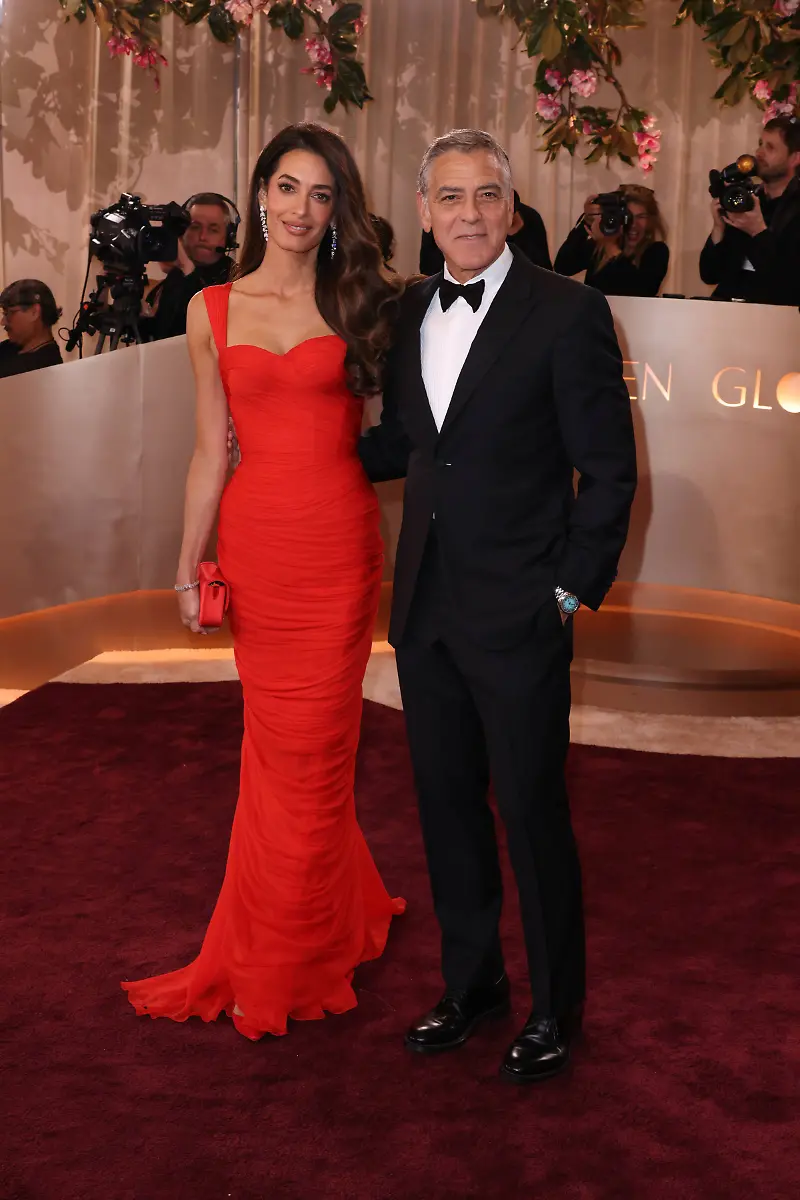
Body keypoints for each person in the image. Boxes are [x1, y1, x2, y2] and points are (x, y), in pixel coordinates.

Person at [359, 129, 637, 1083]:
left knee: (530, 810)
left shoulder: (569, 311)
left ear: (512, 210)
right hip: (426, 609)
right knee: (445, 812)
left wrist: (566, 592)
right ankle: (472, 983)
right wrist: (293, 451)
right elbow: (407, 442)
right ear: (426, 209)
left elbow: (607, 471)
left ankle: (557, 1005)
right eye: (448, 197)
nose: (468, 214)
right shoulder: (405, 314)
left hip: (521, 612)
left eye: (486, 196)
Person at [122, 123, 405, 1041]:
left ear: (337, 212)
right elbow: (211, 451)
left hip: (337, 548)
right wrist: (183, 565)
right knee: (275, 753)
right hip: (257, 550)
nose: (300, 209)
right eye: (287, 188)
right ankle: (304, 917)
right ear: (258, 194)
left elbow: (404, 434)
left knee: (318, 754)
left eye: (321, 195)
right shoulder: (211, 309)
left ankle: (290, 952)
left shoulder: (362, 299)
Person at [699, 116, 800, 307]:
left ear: (795, 157)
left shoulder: (796, 210)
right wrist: (718, 229)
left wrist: (758, 232)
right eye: (760, 144)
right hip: (726, 312)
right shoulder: (746, 200)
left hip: (775, 319)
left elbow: (789, 284)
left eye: (770, 147)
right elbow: (709, 274)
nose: (759, 153)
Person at [142, 193, 237, 341]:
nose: (202, 237)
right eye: (195, 227)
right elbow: (158, 336)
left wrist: (187, 266)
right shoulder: (175, 277)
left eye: (213, 229)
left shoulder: (237, 280)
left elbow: (208, 330)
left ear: (228, 238)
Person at [554, 185, 669, 296]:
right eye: (627, 216)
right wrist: (587, 221)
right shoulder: (599, 248)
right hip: (597, 315)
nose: (633, 224)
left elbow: (641, 290)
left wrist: (610, 246)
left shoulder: (657, 251)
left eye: (641, 216)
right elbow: (562, 268)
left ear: (651, 221)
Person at [419, 189, 552, 274]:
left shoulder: (530, 218)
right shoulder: (439, 222)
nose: (471, 216)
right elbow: (428, 269)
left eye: (488, 195)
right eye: (451, 197)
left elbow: (546, 270)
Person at [0, 280, 64, 377]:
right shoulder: (10, 347)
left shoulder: (42, 370)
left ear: (34, 312)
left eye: (9, 313)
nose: (3, 322)